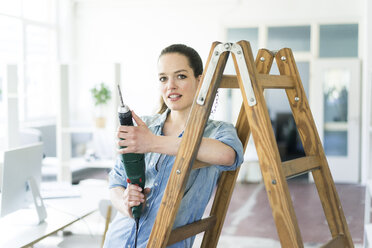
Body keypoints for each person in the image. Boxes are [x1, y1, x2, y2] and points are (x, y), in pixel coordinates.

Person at [103, 44, 244, 248]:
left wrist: (152, 143)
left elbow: (228, 156)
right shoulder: (146, 125)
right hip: (117, 241)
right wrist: (126, 203)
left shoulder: (218, 131)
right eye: (163, 78)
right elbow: (115, 182)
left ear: (200, 80)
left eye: (181, 76)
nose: (171, 86)